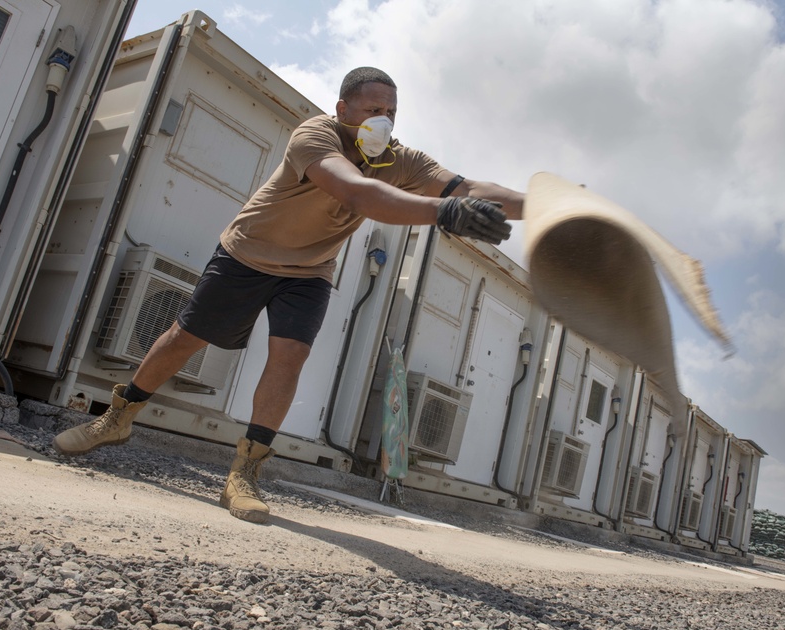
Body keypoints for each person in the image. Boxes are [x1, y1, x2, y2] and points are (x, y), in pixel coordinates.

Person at [52, 66, 525, 524]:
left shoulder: (400, 161)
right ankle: (117, 417)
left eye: (392, 111)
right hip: (247, 254)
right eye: (373, 108)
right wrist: (444, 211)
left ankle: (245, 471)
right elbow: (359, 193)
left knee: (288, 358)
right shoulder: (314, 136)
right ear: (343, 108)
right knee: (185, 338)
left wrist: (549, 210)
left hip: (309, 272)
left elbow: (471, 187)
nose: (384, 119)